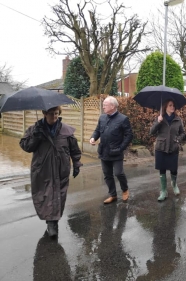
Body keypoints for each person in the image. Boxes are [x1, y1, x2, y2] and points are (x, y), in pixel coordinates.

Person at [19, 106, 82, 237]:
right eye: (51, 114)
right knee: (44, 195)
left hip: (61, 169)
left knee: (59, 195)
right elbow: (26, 147)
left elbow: (74, 149)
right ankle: (50, 222)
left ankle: (53, 222)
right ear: (44, 113)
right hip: (42, 170)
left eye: (56, 114)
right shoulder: (34, 129)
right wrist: (36, 136)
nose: (54, 117)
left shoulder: (66, 130)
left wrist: (76, 163)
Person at [90, 96, 133, 204]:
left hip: (116, 152)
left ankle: (125, 189)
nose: (103, 106)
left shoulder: (123, 119)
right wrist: (93, 137)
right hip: (103, 151)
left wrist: (121, 148)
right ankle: (113, 195)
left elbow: (129, 135)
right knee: (107, 175)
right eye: (103, 104)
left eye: (105, 104)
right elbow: (97, 130)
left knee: (118, 173)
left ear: (112, 106)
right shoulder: (102, 118)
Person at [150, 99, 185, 201]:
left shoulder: (178, 119)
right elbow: (151, 132)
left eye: (173, 105)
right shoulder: (160, 118)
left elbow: (183, 133)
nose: (172, 107)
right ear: (165, 107)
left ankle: (174, 185)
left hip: (173, 147)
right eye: (170, 105)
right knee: (162, 169)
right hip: (161, 147)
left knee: (173, 169)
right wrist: (158, 122)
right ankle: (163, 191)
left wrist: (177, 140)